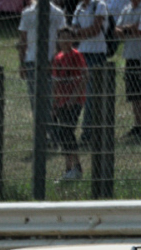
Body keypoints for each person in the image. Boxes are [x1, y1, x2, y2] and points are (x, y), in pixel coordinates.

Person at [70, 0, 108, 145]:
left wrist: (78, 33)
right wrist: (80, 33)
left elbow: (96, 30)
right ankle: (72, 129)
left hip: (96, 54)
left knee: (91, 95)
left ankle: (88, 133)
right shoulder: (79, 7)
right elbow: (74, 32)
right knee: (79, 93)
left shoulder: (99, 5)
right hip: (82, 53)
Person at [51, 27, 87, 181]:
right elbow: (55, 82)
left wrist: (73, 97)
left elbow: (84, 76)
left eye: (68, 38)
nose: (65, 41)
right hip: (61, 101)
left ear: (72, 40)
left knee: (68, 132)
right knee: (64, 134)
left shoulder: (76, 55)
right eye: (62, 38)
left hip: (74, 101)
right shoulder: (57, 58)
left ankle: (76, 168)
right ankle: (69, 169)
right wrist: (54, 102)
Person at [18, 0, 67, 106]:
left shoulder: (57, 13)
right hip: (32, 60)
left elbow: (62, 39)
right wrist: (22, 64)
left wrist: (56, 60)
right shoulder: (27, 13)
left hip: (51, 60)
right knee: (34, 98)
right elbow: (23, 40)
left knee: (51, 97)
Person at [116, 0, 141, 138]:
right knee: (134, 93)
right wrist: (129, 29)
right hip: (130, 55)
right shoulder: (126, 9)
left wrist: (125, 30)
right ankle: (137, 126)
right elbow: (116, 30)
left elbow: (140, 29)